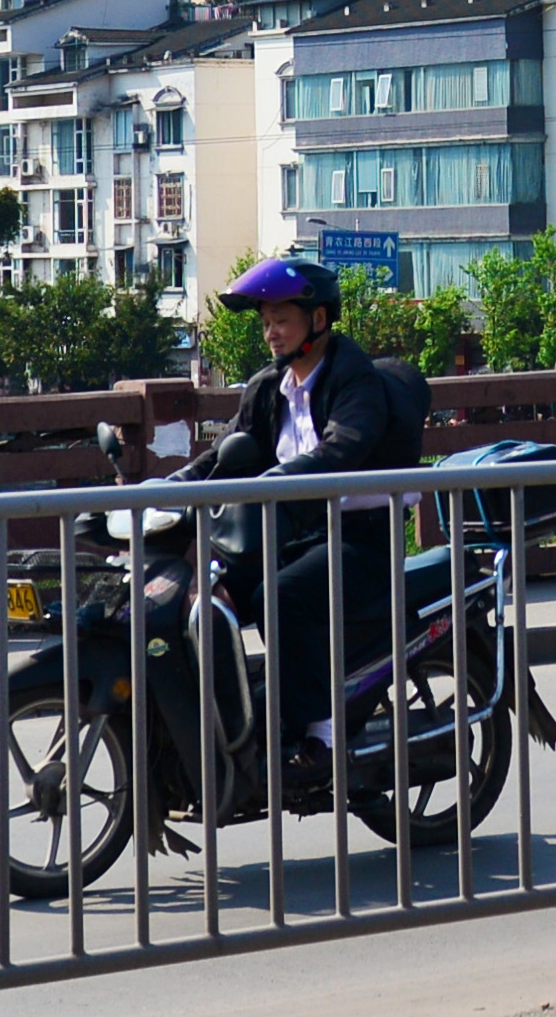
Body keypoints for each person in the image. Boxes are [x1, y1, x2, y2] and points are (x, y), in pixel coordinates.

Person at [178, 259, 424, 764]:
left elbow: (342, 448)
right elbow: (223, 454)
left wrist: (278, 480)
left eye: (282, 321)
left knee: (281, 596)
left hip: (362, 540)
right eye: (266, 322)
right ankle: (233, 718)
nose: (271, 332)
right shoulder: (271, 387)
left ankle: (320, 729)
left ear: (318, 319)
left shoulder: (354, 380)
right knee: (208, 592)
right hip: (296, 533)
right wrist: (166, 488)